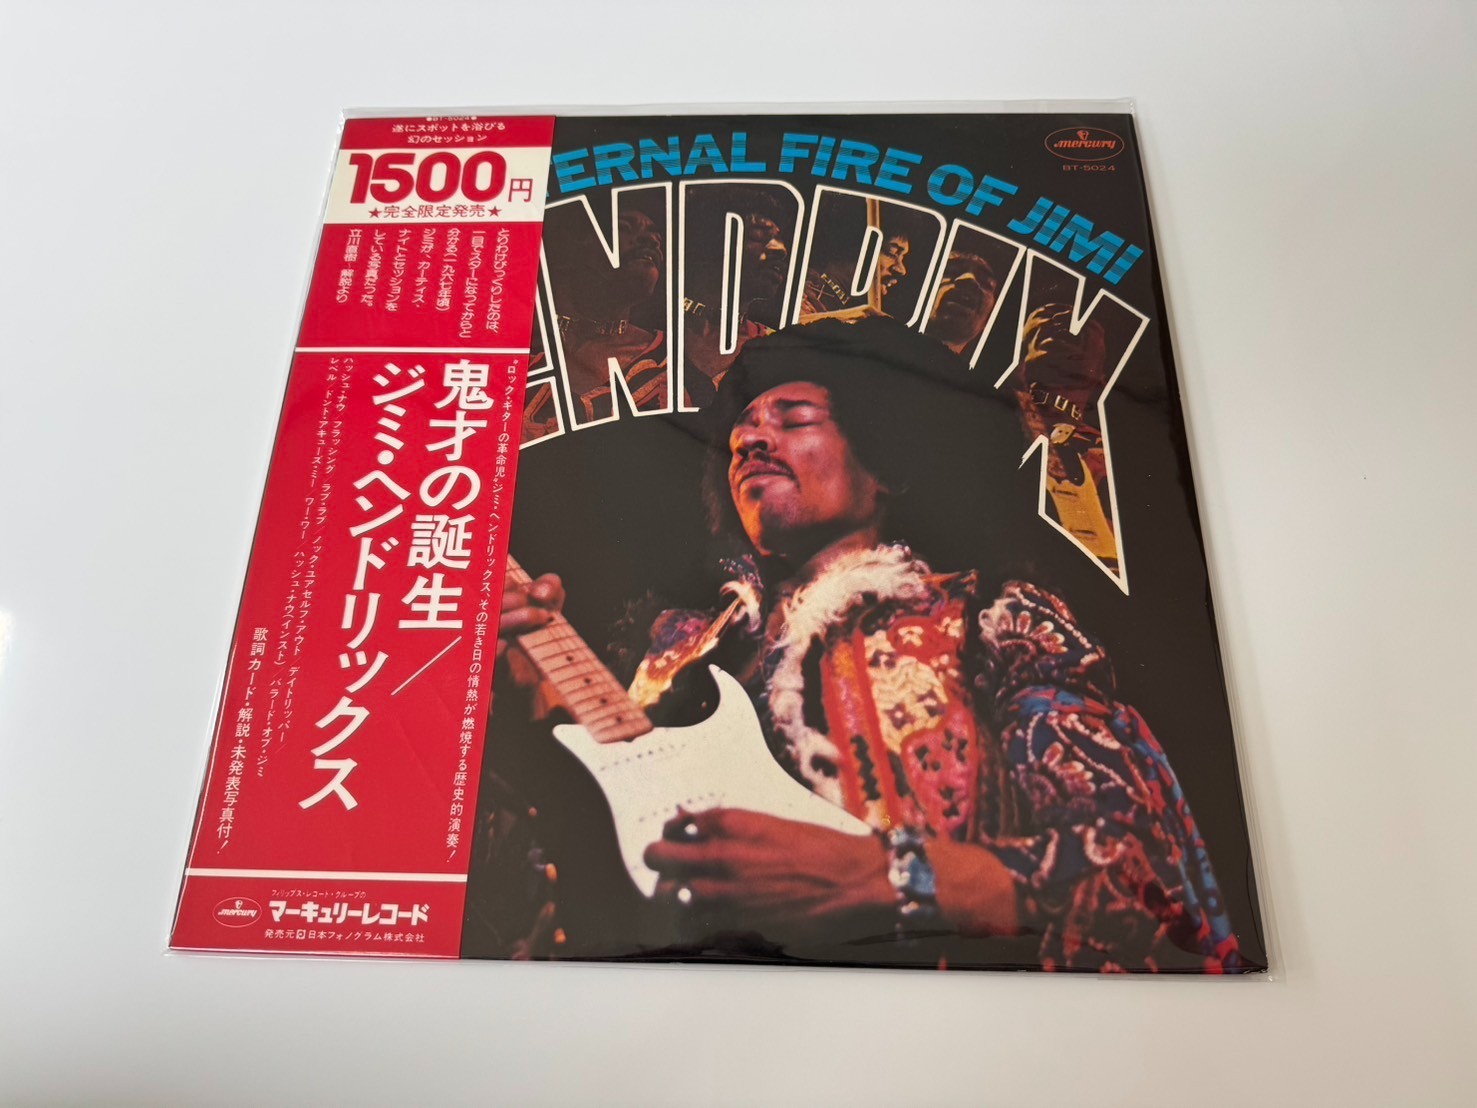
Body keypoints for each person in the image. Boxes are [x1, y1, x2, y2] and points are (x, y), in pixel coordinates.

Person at [498, 317, 1241, 972]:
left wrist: (887, 879)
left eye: (793, 417)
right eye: (741, 430)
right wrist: (519, 681)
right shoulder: (681, 655)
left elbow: (1143, 874)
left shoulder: (994, 616)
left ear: (887, 463)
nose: (751, 438)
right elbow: (598, 831)